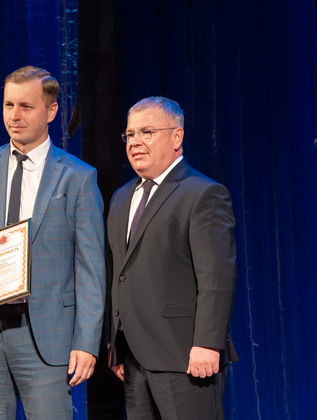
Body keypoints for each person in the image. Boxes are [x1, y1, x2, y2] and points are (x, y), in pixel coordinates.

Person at [0, 65, 105, 419]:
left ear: (51, 110)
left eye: (26, 106)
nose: (14, 116)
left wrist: (86, 342)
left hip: (46, 337)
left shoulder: (78, 177)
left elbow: (91, 268)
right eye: (8, 105)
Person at [106, 96, 237, 419]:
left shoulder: (202, 193)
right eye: (130, 134)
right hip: (133, 358)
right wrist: (115, 344)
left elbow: (216, 278)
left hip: (185, 356)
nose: (135, 141)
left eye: (147, 132)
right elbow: (119, 274)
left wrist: (208, 344)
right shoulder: (121, 197)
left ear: (177, 137)